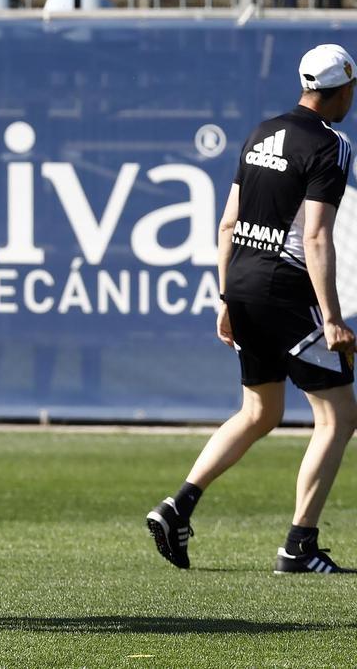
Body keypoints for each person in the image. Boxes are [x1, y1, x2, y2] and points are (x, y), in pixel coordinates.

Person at [147, 43, 357, 574]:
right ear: (344, 89)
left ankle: (179, 505)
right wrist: (331, 317)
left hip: (242, 282)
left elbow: (226, 224)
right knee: (339, 414)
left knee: (260, 411)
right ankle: (299, 545)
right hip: (286, 291)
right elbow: (315, 237)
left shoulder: (262, 131)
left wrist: (226, 298)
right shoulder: (332, 144)